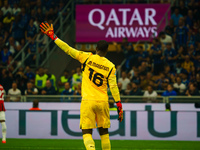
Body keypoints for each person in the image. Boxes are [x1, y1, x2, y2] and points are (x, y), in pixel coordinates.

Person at [40, 22, 123, 150]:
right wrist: (118, 104)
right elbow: (113, 87)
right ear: (106, 51)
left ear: (96, 48)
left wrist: (53, 36)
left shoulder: (87, 57)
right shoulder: (111, 66)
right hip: (102, 101)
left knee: (87, 133)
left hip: (88, 101)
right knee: (104, 134)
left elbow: (67, 49)